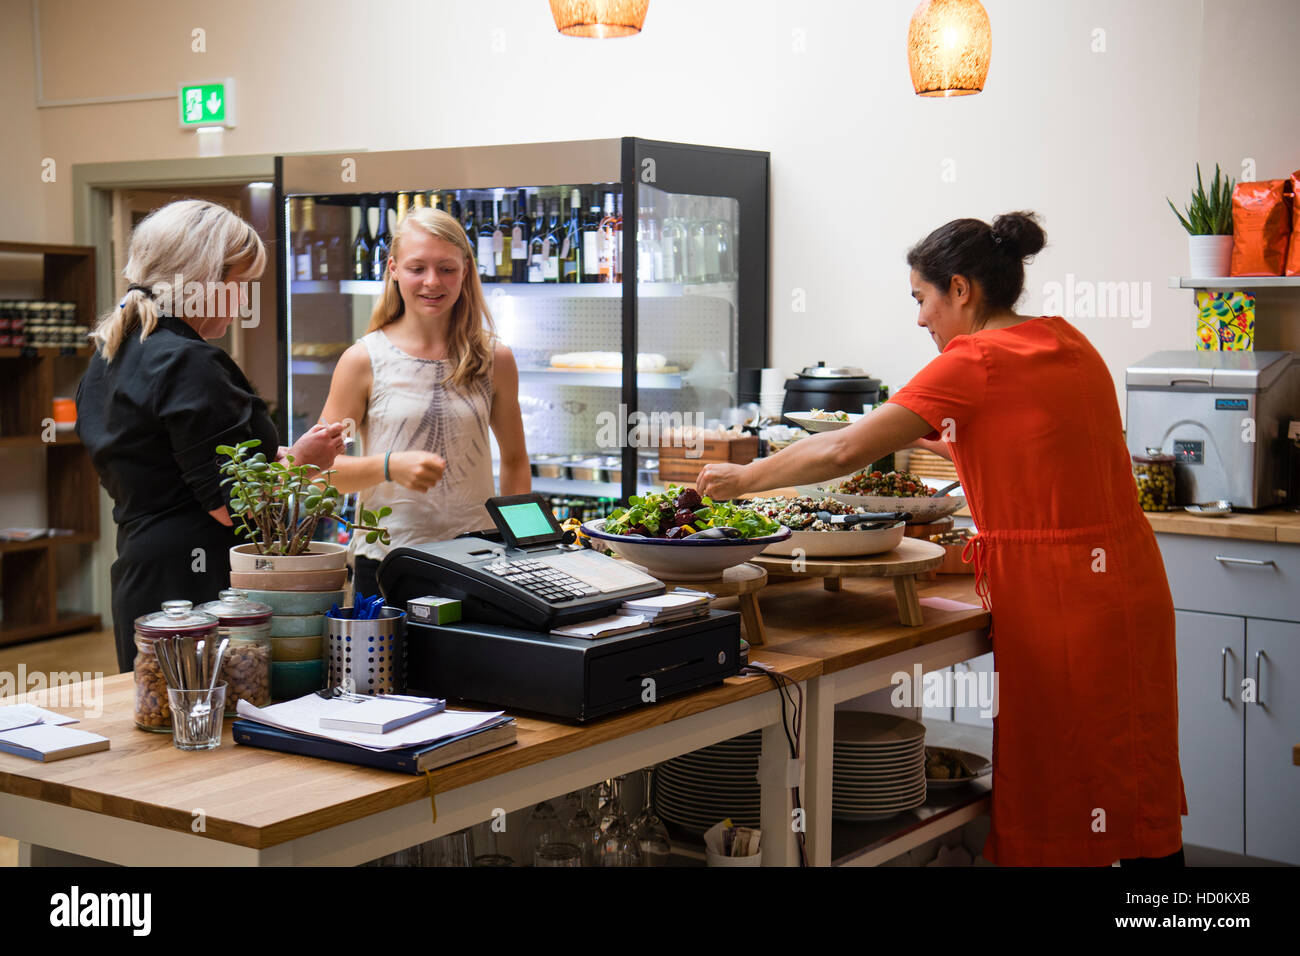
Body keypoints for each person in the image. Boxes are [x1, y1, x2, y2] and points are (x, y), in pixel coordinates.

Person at [698, 212, 1186, 867]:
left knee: (1060, 789)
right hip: (1127, 585)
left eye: (921, 299)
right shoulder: (1065, 340)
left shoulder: (976, 358)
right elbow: (1024, 450)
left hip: (1061, 601)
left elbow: (843, 447)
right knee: (1133, 781)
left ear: (961, 289)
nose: (920, 319)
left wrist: (746, 476)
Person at [77, 200, 345, 672]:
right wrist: (304, 460)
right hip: (197, 583)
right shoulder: (190, 362)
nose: (243, 303)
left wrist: (271, 456)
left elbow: (166, 466)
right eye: (239, 287)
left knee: (161, 726)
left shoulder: (107, 359)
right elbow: (230, 505)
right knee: (214, 726)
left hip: (141, 571)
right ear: (200, 280)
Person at [319, 205, 530, 598]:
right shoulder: (363, 360)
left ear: (465, 271)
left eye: (447, 269)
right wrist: (388, 466)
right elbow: (322, 470)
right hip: (387, 562)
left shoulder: (494, 358)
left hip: (479, 560)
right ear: (394, 268)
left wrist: (525, 547)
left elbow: (516, 461)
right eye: (418, 268)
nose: (432, 282)